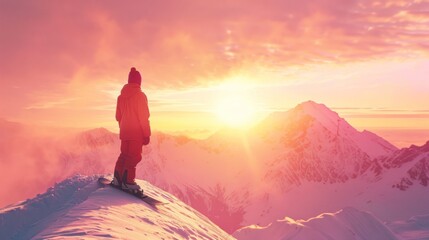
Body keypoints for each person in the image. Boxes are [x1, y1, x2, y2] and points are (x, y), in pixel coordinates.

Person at [113, 67, 151, 191]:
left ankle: (117, 179)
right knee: (133, 157)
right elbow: (143, 117)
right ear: (139, 82)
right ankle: (128, 182)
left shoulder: (120, 97)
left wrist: (123, 128)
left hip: (124, 132)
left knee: (124, 155)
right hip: (136, 133)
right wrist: (146, 134)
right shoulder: (140, 96)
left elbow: (118, 116)